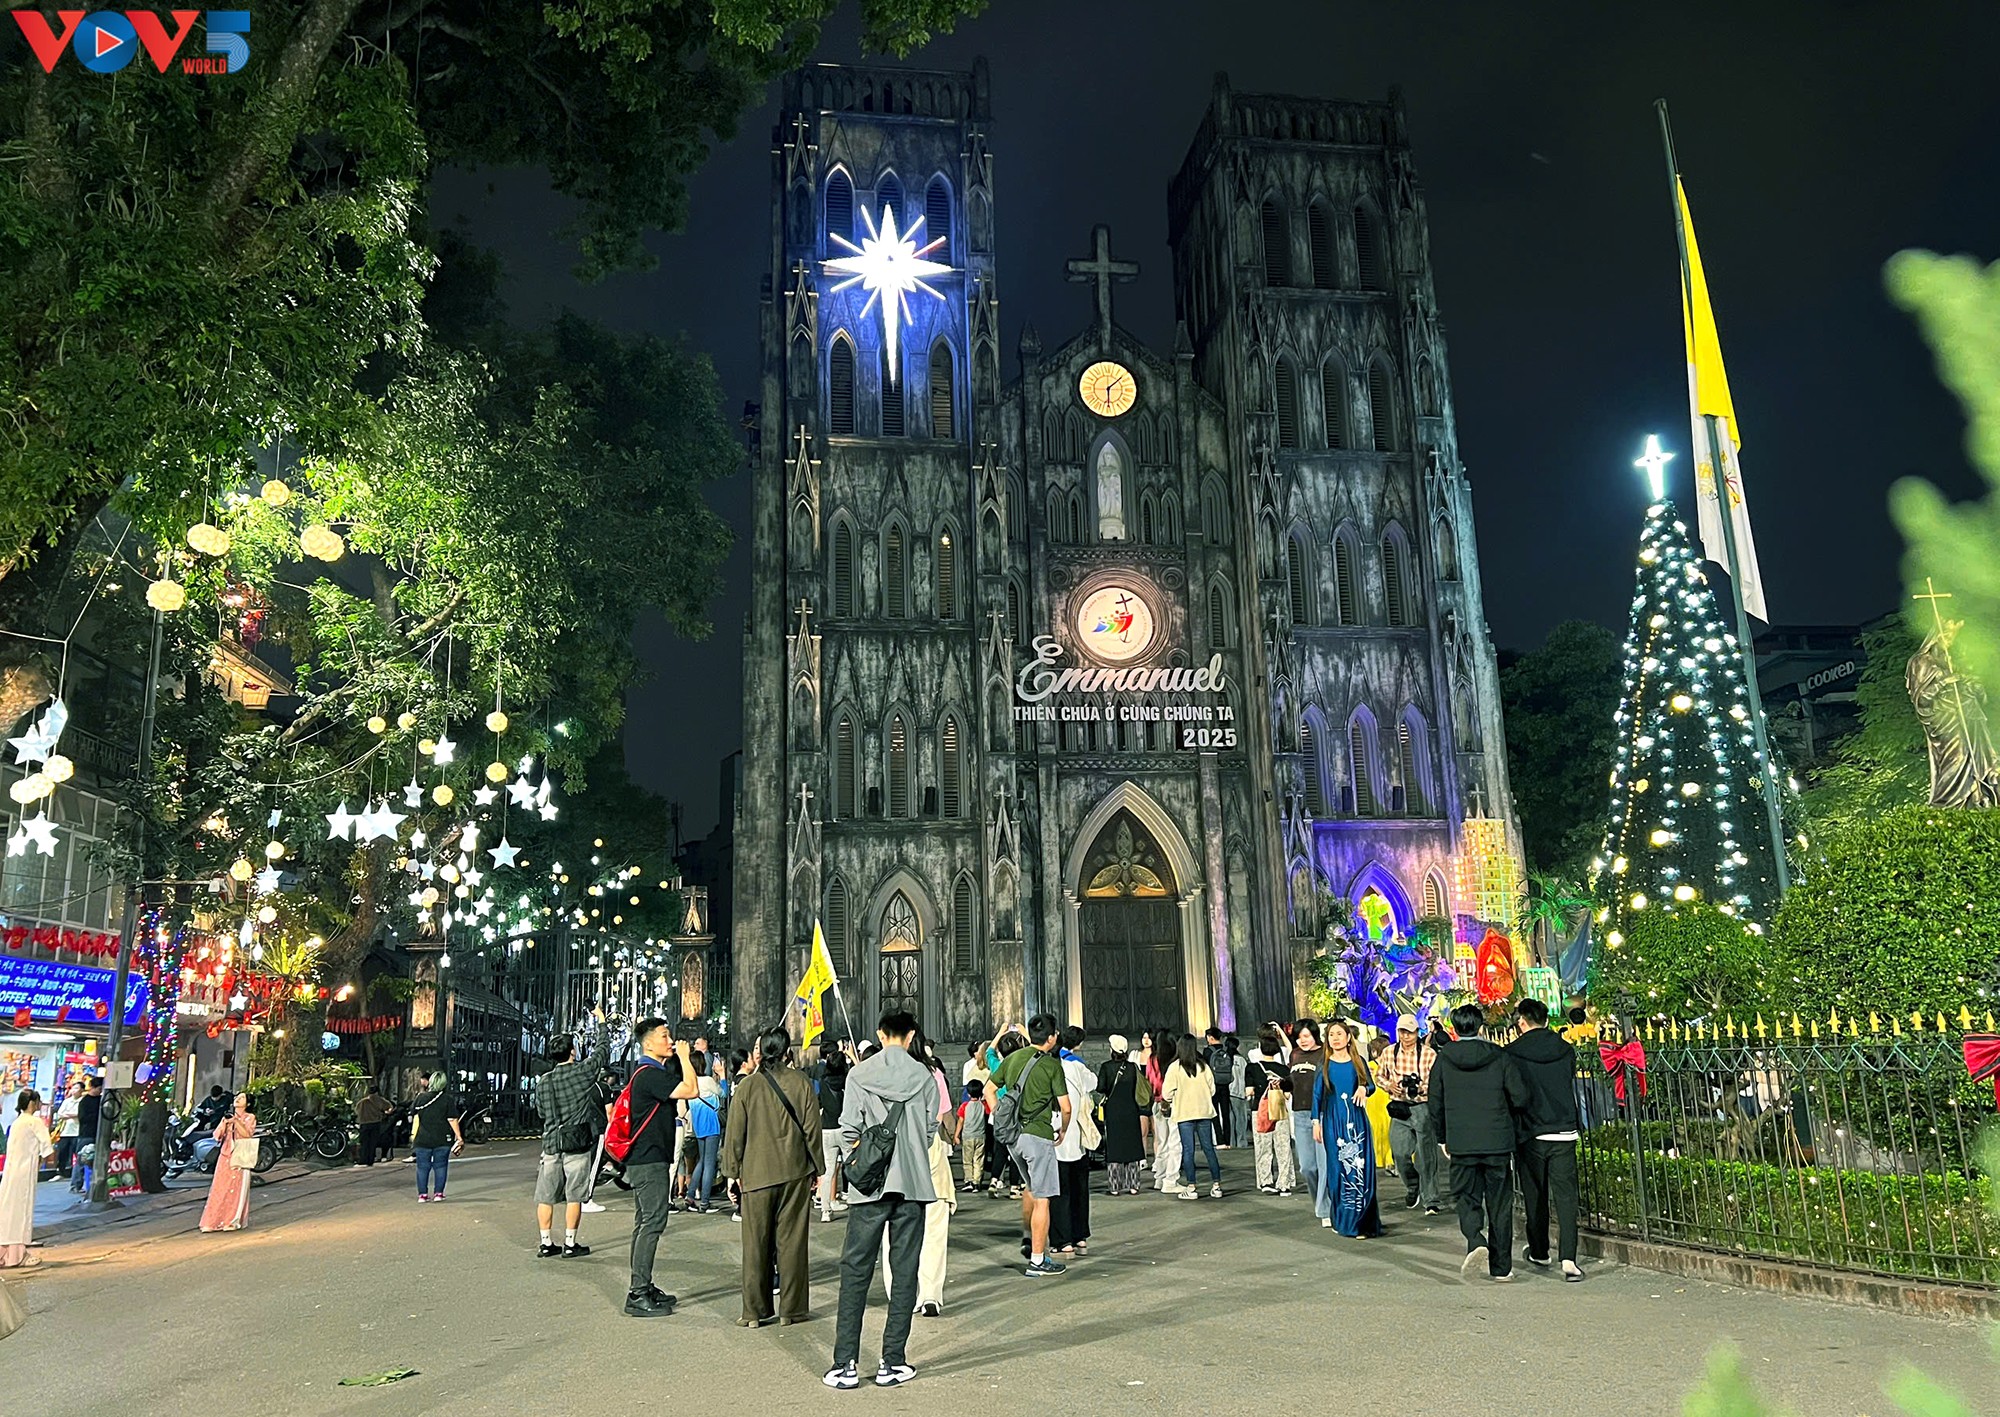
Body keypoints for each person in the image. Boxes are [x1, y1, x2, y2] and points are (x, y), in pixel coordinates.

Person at [824, 1010, 940, 1390]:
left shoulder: (860, 1074)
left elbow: (848, 1130)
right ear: (911, 1036)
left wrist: (866, 1159)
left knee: (855, 1271)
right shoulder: (925, 1077)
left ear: (880, 1034)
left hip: (869, 1190)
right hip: (913, 1187)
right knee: (904, 1273)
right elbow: (930, 1131)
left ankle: (845, 1363)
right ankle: (892, 1361)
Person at [723, 1027, 822, 1327]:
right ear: (787, 1051)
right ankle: (792, 1310)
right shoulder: (801, 1082)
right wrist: (818, 1168)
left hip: (755, 1174)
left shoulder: (748, 1087)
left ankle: (753, 1311)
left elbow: (734, 1133)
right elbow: (812, 1130)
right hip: (795, 1172)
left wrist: (731, 1172)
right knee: (792, 1242)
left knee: (756, 1244)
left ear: (760, 1053)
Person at [1430, 1002, 1531, 1281]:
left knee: (1466, 1196)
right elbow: (1520, 1097)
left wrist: (1442, 1137)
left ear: (1454, 1028)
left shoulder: (1444, 1059)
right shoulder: (1499, 1056)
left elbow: (1435, 1102)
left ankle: (1475, 1239)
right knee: (1500, 1203)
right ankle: (1502, 1267)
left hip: (1461, 1140)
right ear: (1481, 1027)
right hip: (1497, 1139)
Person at [623, 1018, 699, 1317]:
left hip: (647, 1158)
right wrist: (685, 1057)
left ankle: (643, 1285)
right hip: (649, 1159)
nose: (671, 1041)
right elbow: (691, 1089)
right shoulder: (650, 1074)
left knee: (644, 1222)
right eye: (665, 1036)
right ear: (648, 1043)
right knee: (652, 1223)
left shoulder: (649, 1073)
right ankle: (638, 1293)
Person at [1507, 998, 1585, 1281]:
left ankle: (1540, 1250)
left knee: (1535, 1195)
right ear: (1547, 1020)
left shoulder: (1512, 1053)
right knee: (1566, 1196)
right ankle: (1569, 1259)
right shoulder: (1565, 1049)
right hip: (1564, 1128)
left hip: (1531, 1131)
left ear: (1522, 1022)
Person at [990, 1014, 1071, 1275]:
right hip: (1038, 1135)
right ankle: (1037, 1260)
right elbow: (1066, 1107)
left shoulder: (1013, 1058)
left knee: (1033, 1190)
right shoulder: (1051, 1065)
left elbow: (990, 1089)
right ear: (1051, 1038)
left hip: (1014, 1137)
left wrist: (1000, 1114)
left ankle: (1032, 1245)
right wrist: (1063, 1130)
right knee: (1043, 1199)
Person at [891, 1029, 958, 1317]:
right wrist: (952, 1136)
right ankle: (930, 1295)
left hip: (898, 1158)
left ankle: (900, 1294)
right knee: (934, 1231)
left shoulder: (888, 1074)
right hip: (931, 1153)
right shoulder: (934, 1075)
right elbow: (946, 1118)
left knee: (896, 1231)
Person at [533, 1011, 609, 1256]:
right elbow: (601, 1052)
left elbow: (541, 1112)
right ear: (572, 1052)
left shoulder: (543, 1081)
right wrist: (602, 1021)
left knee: (546, 1196)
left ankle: (546, 1243)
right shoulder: (581, 1073)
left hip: (551, 1142)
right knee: (574, 1195)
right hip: (576, 1141)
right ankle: (569, 1243)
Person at [1311, 1019, 1383, 1237]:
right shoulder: (1324, 1064)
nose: (1335, 1038)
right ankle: (1342, 1220)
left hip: (1357, 1122)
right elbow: (1317, 1095)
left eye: (1339, 1034)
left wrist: (1363, 1088)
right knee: (1338, 1169)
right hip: (1333, 1122)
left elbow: (1370, 1085)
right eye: (1331, 1035)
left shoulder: (1358, 1061)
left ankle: (1362, 1223)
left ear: (1348, 1037)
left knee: (1361, 1169)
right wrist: (1316, 1122)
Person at [1375, 1014, 1443, 1213]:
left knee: (1427, 1156)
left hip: (1423, 1108)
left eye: (1410, 1032)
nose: (1406, 1036)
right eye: (1402, 1032)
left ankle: (1431, 1199)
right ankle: (1413, 1185)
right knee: (1400, 1154)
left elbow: (1437, 1082)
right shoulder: (1389, 1052)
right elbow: (1379, 1076)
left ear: (1417, 1033)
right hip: (1399, 1109)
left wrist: (1421, 1088)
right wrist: (1390, 1085)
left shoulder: (1429, 1054)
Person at [1161, 1034, 1222, 1199]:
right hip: (1204, 1112)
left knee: (1188, 1151)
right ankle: (1216, 1186)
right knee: (1209, 1149)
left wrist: (1175, 1098)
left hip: (1184, 1114)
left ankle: (1191, 1187)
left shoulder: (1175, 1067)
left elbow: (1166, 1093)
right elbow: (1212, 1089)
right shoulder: (1203, 1066)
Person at [1049, 1025, 1093, 1254]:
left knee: (1059, 1193)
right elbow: (1093, 1083)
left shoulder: (1044, 1070)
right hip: (1077, 1139)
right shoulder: (1076, 1066)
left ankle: (1062, 1240)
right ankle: (1080, 1236)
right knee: (1080, 1191)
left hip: (1054, 1140)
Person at [1, 1090, 53, 1266]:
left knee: (7, 1211)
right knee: (21, 1213)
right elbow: (47, 1148)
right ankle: (17, 1256)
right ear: (33, 1103)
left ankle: (5, 1254)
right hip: (24, 1173)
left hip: (10, 1173)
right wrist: (41, 1160)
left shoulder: (17, 1122)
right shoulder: (34, 1122)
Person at [1246, 1026, 1295, 1195]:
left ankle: (1266, 1181)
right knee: (1283, 1147)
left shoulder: (1252, 1068)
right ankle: (1284, 1183)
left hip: (1260, 1111)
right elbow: (1287, 1095)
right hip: (1279, 1110)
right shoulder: (1285, 1070)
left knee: (1263, 1147)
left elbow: (1249, 1092)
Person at [1096, 1034, 1147, 1196]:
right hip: (1131, 1110)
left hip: (1113, 1111)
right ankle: (1134, 1185)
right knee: (1132, 1147)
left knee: (1115, 1148)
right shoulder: (1132, 1067)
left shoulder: (1106, 1067)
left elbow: (1100, 1087)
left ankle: (1115, 1186)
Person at [198, 1093, 256, 1233]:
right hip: (225, 1155)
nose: (238, 1099)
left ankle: (232, 1220)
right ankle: (213, 1221)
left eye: (242, 1098)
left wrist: (237, 1121)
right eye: (237, 1097)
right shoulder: (227, 1116)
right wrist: (224, 1123)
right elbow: (217, 1136)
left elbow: (247, 1134)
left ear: (247, 1104)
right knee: (219, 1188)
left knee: (236, 1188)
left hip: (240, 1155)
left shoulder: (250, 1117)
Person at [1285, 1020, 1326, 1212]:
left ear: (1315, 1035)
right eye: (1299, 1037)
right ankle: (1320, 1202)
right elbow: (1293, 1080)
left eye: (1307, 1036)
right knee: (1307, 1167)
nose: (1303, 1040)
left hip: (1323, 1113)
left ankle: (1325, 1208)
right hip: (1300, 1114)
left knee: (1325, 1166)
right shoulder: (1294, 1054)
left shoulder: (1325, 1053)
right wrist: (1282, 1084)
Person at [408, 1070, 463, 1202]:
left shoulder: (420, 1098)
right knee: (441, 1166)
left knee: (422, 1167)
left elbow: (412, 1114)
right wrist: (459, 1137)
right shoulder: (447, 1099)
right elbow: (452, 1119)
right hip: (442, 1138)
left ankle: (422, 1195)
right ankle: (438, 1194)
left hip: (422, 1138)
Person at [811, 1041, 851, 1223]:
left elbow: (818, 1102)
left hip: (826, 1128)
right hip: (845, 1129)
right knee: (852, 1167)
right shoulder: (848, 1081)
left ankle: (825, 1210)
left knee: (828, 1172)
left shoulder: (823, 1082)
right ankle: (857, 1202)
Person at [1148, 1021, 1182, 1194]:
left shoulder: (1152, 1059)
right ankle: (1171, 1179)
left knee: (1162, 1142)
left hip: (1157, 1102)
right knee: (1175, 1143)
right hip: (1174, 1102)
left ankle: (1159, 1178)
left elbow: (1150, 1080)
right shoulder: (1176, 1061)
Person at [687, 1073, 725, 1213]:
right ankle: (705, 1202)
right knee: (709, 1164)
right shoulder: (707, 1080)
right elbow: (723, 1093)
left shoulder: (689, 1081)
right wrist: (722, 1076)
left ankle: (690, 1195)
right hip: (711, 1125)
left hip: (698, 1127)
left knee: (702, 1161)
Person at [956, 1081, 989, 1192]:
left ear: (968, 1094)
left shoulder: (964, 1106)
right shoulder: (984, 1106)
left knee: (967, 1160)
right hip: (980, 1136)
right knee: (978, 1160)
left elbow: (960, 1121)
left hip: (967, 1136)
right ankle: (976, 1182)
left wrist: (956, 1135)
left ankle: (968, 1181)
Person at [71, 1077, 103, 1193]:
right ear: (93, 1088)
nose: (100, 1091)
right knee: (81, 1159)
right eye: (99, 1089)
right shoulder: (85, 1102)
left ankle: (92, 1184)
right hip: (86, 1134)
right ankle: (76, 1185)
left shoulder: (101, 1100)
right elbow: (83, 1118)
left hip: (98, 1133)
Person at [1202, 1028, 1232, 1147]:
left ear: (1210, 1037)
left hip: (1213, 1085)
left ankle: (1220, 1141)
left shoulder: (1207, 1051)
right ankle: (1228, 1140)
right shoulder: (1227, 1050)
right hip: (1225, 1084)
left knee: (1215, 1113)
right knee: (1226, 1113)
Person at [354, 1084, 391, 1169]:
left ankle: (363, 1160)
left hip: (364, 1123)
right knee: (372, 1143)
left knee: (364, 1143)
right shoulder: (380, 1100)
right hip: (375, 1123)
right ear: (377, 1092)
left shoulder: (362, 1101)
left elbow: (356, 1110)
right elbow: (389, 1108)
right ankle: (370, 1160)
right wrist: (385, 1113)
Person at [50, 1080, 81, 1181]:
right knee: (62, 1152)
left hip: (77, 1132)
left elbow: (79, 1114)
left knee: (76, 1153)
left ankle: (75, 1174)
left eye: (77, 1088)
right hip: (65, 1132)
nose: (74, 1090)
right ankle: (60, 1172)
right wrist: (72, 1115)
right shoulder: (67, 1101)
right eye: (73, 1088)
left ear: (82, 1090)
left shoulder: (82, 1101)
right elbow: (60, 1114)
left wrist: (68, 1114)